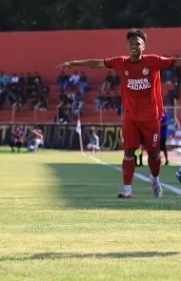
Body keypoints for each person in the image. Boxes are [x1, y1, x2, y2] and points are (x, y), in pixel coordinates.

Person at [57, 29, 179, 198]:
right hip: (130, 117)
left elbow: (175, 62)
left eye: (138, 43)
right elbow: (98, 63)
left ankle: (155, 180)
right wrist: (75, 63)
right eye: (131, 43)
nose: (134, 46)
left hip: (151, 117)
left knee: (153, 154)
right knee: (128, 151)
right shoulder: (121, 62)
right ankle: (127, 190)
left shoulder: (154, 61)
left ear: (144, 46)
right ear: (127, 46)